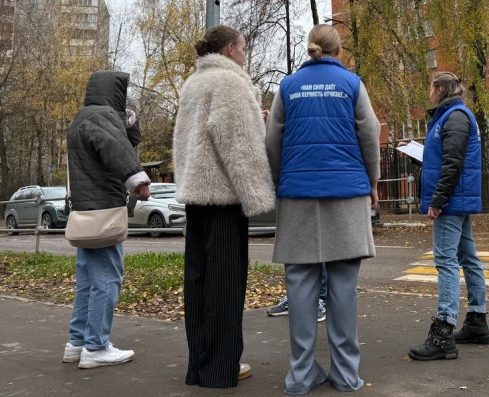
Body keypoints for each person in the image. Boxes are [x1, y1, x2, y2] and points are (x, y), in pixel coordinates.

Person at [266, 24, 380, 395]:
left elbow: (273, 139)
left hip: (298, 194)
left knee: (300, 285)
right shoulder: (351, 84)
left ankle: (300, 376)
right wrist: (373, 181)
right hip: (346, 194)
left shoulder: (288, 86)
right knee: (343, 287)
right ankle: (346, 376)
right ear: (339, 50)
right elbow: (369, 131)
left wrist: (284, 179)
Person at [173, 25, 276, 389]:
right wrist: (258, 197)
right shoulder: (231, 83)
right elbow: (239, 148)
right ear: (230, 49)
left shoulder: (193, 84)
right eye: (244, 47)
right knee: (225, 283)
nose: (245, 54)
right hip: (224, 198)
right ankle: (221, 369)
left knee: (198, 282)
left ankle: (199, 365)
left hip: (196, 196)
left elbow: (189, 140)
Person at [64, 71, 151, 369]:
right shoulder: (101, 117)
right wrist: (138, 180)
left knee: (88, 280)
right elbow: (118, 150)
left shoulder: (84, 117)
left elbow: (127, 141)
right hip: (103, 207)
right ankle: (97, 346)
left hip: (87, 210)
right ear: (115, 92)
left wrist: (129, 120)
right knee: (107, 277)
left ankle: (77, 343)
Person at [409, 72, 489, 362]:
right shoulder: (454, 115)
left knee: (445, 261)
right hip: (459, 198)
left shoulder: (454, 116)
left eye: (431, 87)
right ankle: (477, 322)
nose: (429, 92)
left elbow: (453, 161)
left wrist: (437, 200)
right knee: (468, 258)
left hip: (451, 200)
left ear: (441, 88)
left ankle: (443, 332)